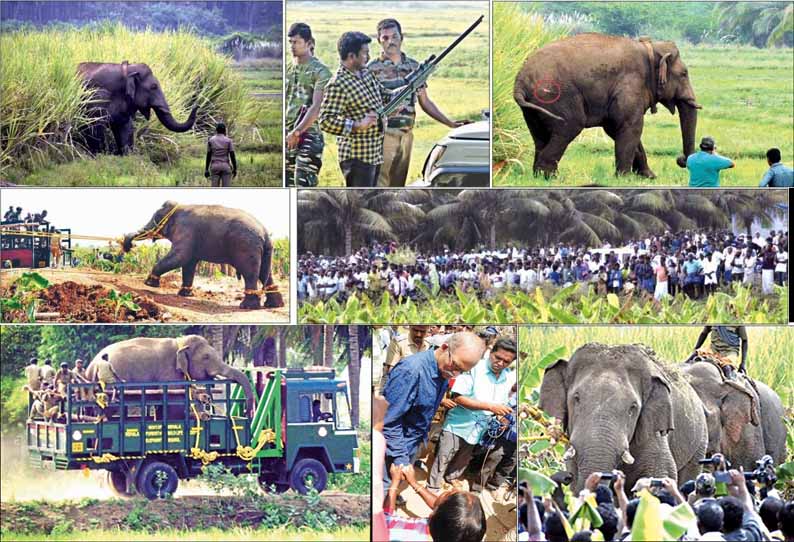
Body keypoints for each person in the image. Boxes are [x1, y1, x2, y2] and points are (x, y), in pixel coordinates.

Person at [381, 332, 485, 495]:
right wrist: (400, 458)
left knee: (399, 482)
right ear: (444, 348)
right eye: (455, 366)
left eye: (462, 371)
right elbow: (388, 420)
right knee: (386, 485)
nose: (455, 374)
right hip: (395, 444)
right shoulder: (411, 371)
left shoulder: (443, 369)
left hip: (414, 439)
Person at [368, 18, 465, 187]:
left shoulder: (414, 67)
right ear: (379, 41)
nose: (390, 41)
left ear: (402, 37)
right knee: (379, 184)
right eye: (385, 38)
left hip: (406, 135)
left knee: (398, 185)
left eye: (394, 36)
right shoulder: (371, 68)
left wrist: (449, 123)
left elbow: (425, 101)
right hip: (382, 135)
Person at [427, 337, 516, 493]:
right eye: (498, 358)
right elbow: (457, 397)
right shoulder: (474, 368)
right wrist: (490, 407)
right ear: (491, 353)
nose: (500, 363)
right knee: (444, 455)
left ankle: (451, 478)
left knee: (463, 458)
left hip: (479, 429)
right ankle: (433, 486)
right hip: (458, 424)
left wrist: (501, 418)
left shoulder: (507, 377)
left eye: (506, 362)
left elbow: (502, 404)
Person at [319, 31, 393, 187]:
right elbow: (325, 121)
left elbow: (385, 95)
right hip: (357, 158)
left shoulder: (366, 73)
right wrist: (357, 125)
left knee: (371, 201)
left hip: (374, 153)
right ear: (352, 56)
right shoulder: (338, 84)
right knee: (358, 205)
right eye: (365, 53)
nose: (368, 56)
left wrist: (408, 89)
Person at [285, 22, 332, 188]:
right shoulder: (288, 69)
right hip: (287, 135)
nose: (292, 46)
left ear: (309, 43)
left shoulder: (321, 72)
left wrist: (297, 132)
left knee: (303, 187)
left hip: (308, 136)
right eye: (290, 42)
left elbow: (316, 107)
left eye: (296, 42)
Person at [380, 326, 431, 390]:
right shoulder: (398, 343)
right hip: (400, 386)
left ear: (427, 329)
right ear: (409, 327)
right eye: (415, 330)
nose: (418, 334)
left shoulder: (428, 346)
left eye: (422, 331)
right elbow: (391, 370)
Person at [204, 122, 237, 187]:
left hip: (214, 166)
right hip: (226, 166)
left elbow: (208, 155)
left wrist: (206, 169)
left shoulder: (211, 140)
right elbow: (232, 155)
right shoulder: (228, 140)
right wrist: (235, 168)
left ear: (216, 130)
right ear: (225, 130)